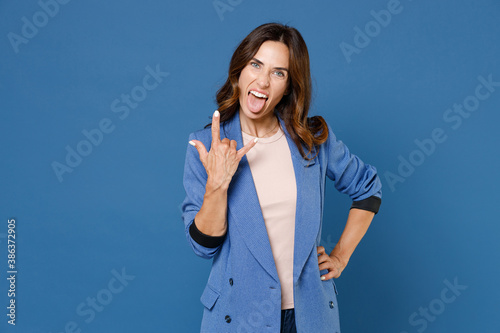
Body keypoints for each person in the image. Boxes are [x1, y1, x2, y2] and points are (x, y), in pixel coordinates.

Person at [181, 22, 382, 333]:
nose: (262, 81)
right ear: (239, 71)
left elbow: (368, 189)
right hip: (238, 316)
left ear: (288, 85)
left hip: (308, 316)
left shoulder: (311, 140)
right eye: (255, 64)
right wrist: (217, 185)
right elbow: (203, 246)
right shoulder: (207, 146)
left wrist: (340, 255)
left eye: (278, 72)